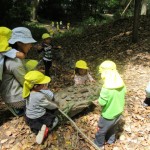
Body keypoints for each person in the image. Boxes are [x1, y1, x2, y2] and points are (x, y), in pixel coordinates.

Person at [0, 27, 37, 115]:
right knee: (42, 95)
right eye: (29, 43)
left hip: (9, 97)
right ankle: (21, 109)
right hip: (15, 99)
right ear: (20, 43)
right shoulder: (14, 61)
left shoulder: (9, 56)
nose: (31, 45)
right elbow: (25, 81)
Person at [94, 60, 126, 149]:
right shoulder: (122, 84)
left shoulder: (106, 88)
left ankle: (98, 145)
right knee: (113, 128)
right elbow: (123, 94)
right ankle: (111, 141)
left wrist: (99, 100)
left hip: (108, 115)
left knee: (101, 131)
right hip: (118, 113)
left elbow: (102, 102)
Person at [22, 70, 59, 144]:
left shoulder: (28, 92)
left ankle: (38, 128)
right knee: (55, 119)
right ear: (36, 86)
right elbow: (49, 105)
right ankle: (45, 128)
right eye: (43, 84)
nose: (44, 84)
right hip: (39, 117)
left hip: (29, 117)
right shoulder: (39, 96)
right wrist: (56, 106)